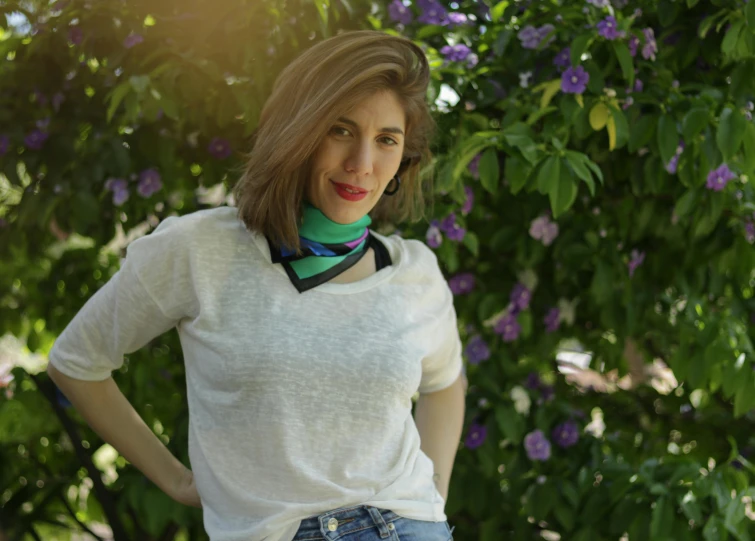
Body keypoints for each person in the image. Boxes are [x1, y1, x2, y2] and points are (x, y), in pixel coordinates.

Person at [47, 30, 466, 541]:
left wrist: (430, 502)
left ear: (404, 158)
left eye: (386, 140)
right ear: (301, 133)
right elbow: (76, 363)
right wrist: (178, 481)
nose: (362, 164)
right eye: (340, 130)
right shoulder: (200, 249)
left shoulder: (414, 270)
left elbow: (445, 384)